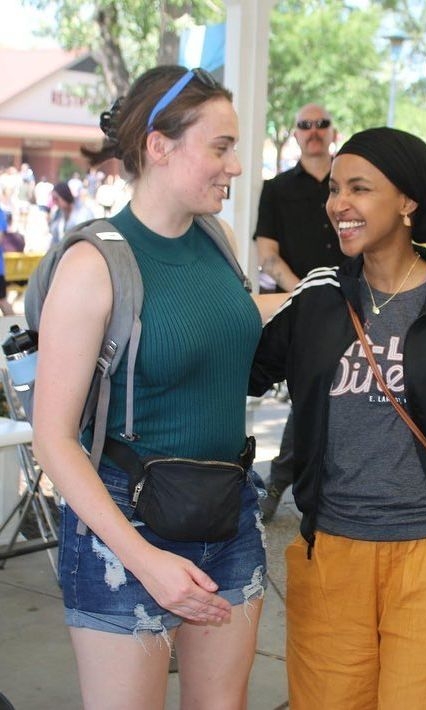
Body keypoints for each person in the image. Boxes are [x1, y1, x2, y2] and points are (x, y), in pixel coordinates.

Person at [250, 127, 426, 709]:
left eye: (359, 188)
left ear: (407, 203)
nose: (338, 204)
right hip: (333, 556)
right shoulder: (320, 297)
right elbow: (237, 374)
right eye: (334, 189)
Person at [32, 65, 267, 709]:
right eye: (220, 147)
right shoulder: (93, 265)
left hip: (228, 509)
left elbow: (223, 341)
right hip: (124, 523)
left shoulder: (216, 242)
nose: (236, 166)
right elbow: (53, 440)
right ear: (159, 146)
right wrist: (143, 558)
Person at [253, 102, 346, 522]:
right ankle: (280, 480)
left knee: (342, 395)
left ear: (333, 132)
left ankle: (294, 482)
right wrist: (309, 291)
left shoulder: (349, 185)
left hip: (355, 306)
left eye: (320, 124)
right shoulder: (275, 189)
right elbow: (267, 256)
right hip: (303, 308)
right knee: (311, 392)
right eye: (304, 125)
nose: (313, 131)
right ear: (294, 134)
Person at [48, 180, 95, 245]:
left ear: (64, 196)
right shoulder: (58, 213)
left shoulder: (84, 213)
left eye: (56, 199)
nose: (55, 202)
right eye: (53, 199)